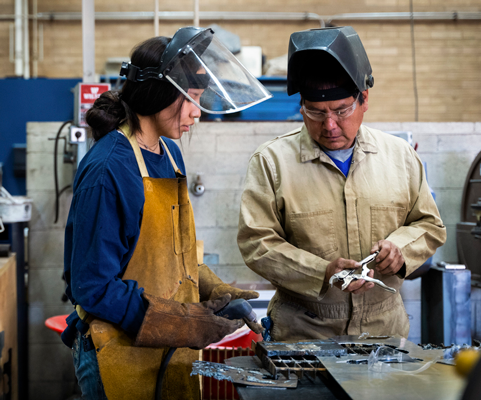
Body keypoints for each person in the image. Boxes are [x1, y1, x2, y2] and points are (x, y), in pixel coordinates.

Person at [62, 27, 269, 400]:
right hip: (118, 352)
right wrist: (186, 323)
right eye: (191, 99)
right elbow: (93, 287)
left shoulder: (169, 154)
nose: (197, 113)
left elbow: (177, 254)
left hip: (168, 351)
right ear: (158, 92)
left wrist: (216, 290)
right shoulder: (109, 169)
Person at [237, 26, 446, 341]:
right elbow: (257, 243)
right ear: (301, 107)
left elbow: (429, 225)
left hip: (383, 334)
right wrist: (320, 271)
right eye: (315, 112)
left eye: (341, 110)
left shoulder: (400, 156)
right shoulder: (272, 162)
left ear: (364, 100)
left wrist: (400, 249)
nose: (330, 125)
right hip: (304, 335)